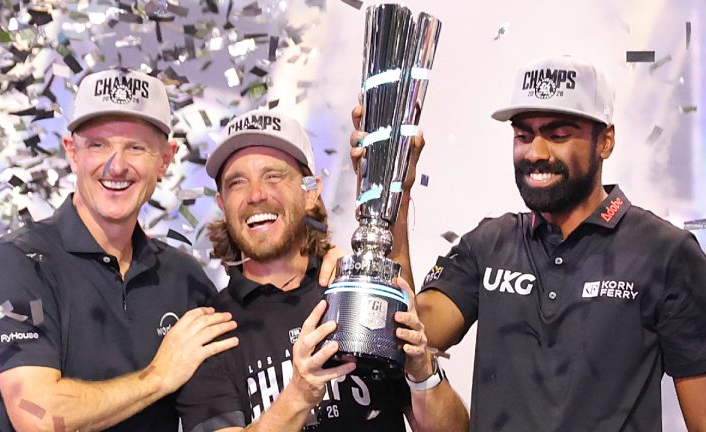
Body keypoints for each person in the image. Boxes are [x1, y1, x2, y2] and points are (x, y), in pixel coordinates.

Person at [351, 55, 706, 430]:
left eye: (558, 135)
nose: (535, 153)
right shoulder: (489, 243)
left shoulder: (666, 252)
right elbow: (411, 330)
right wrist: (394, 194)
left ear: (605, 141)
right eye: (523, 135)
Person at [0, 69, 241, 431]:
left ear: (165, 159)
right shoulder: (16, 264)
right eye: (98, 145)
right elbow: (38, 415)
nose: (116, 165)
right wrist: (160, 375)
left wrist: (320, 268)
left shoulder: (185, 280)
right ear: (72, 153)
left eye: (136, 147)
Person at [176, 109, 469, 432]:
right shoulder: (210, 332)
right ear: (221, 202)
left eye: (273, 176)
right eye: (237, 183)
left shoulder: (356, 294)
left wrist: (422, 370)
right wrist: (300, 394)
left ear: (311, 190)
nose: (256, 195)